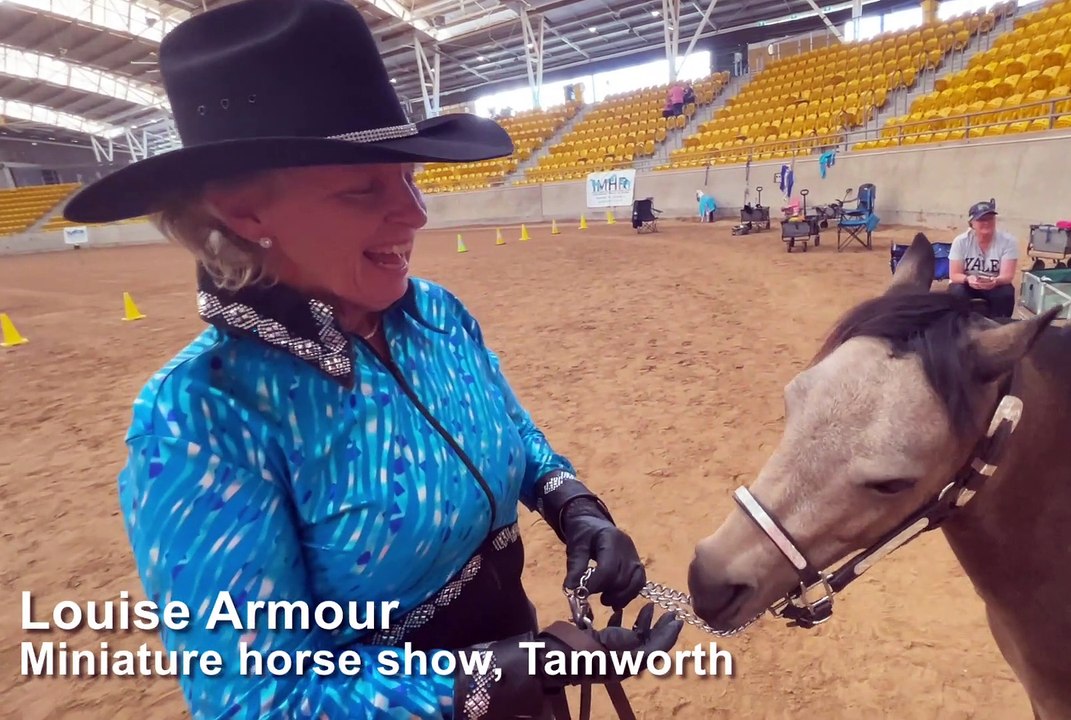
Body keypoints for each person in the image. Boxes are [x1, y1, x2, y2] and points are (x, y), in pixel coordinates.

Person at [60, 1, 680, 718]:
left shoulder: (438, 314)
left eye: (411, 179)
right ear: (242, 209)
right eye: (365, 189)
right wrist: (502, 678)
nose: (415, 214)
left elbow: (516, 436)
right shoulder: (200, 417)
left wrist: (574, 505)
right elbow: (253, 699)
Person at [947, 200, 1019, 317]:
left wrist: (995, 281)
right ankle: (959, 328)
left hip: (994, 284)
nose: (986, 223)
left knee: (1006, 293)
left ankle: (1000, 327)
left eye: (990, 218)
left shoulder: (1008, 241)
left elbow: (1007, 276)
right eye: (981, 219)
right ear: (972, 223)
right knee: (956, 292)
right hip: (967, 283)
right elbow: (954, 275)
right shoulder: (960, 241)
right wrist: (968, 279)